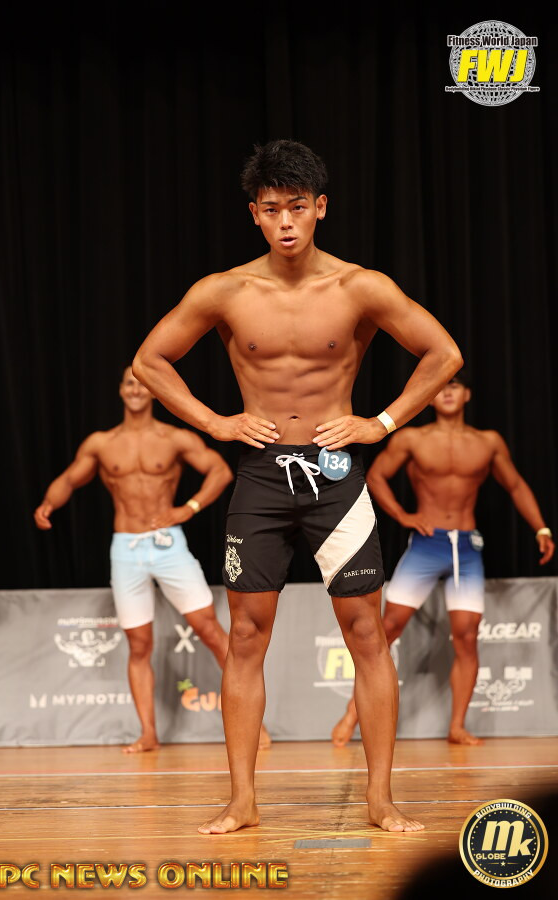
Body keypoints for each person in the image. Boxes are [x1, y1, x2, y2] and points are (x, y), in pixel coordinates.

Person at [132, 139, 463, 833]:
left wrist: (380, 422)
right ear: (254, 214)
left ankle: (380, 799)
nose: (286, 222)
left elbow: (444, 354)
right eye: (272, 209)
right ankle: (243, 801)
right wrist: (216, 422)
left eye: (298, 207)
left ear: (321, 208)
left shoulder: (359, 287)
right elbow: (151, 361)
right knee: (246, 637)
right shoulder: (224, 291)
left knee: (367, 634)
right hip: (260, 474)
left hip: (336, 474)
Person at [34, 366, 271, 753]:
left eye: (142, 384)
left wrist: (188, 508)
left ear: (155, 393)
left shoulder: (174, 438)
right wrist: (48, 502)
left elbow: (219, 470)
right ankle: (148, 733)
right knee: (138, 644)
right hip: (126, 548)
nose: (135, 389)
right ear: (120, 390)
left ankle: (254, 725)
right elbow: (70, 479)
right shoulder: (101, 443)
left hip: (167, 545)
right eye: (129, 383)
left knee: (210, 630)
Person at [331, 372, 555, 748]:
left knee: (467, 636)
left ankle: (457, 726)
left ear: (467, 395)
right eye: (441, 388)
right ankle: (353, 714)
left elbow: (515, 485)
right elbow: (376, 476)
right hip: (426, 545)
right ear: (431, 397)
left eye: (455, 387)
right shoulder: (412, 439)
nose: (448, 393)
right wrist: (402, 516)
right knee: (387, 628)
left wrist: (541, 528)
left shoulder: (488, 442)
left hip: (467, 548)